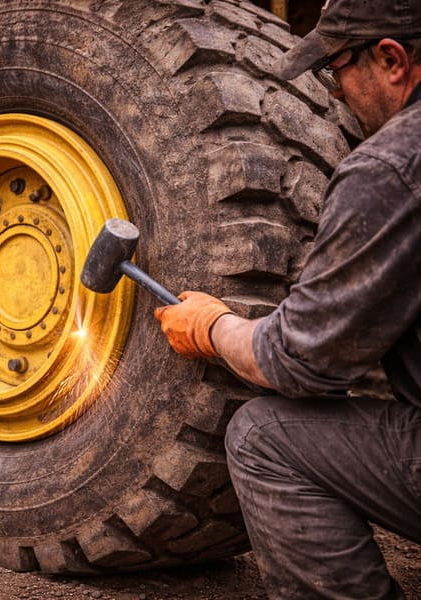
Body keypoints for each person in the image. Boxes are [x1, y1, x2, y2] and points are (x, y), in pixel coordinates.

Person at [152, 0, 421, 597]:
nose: (336, 91)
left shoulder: (392, 168)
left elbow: (300, 362)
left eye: (336, 68)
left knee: (263, 437)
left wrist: (212, 326)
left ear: (392, 59)